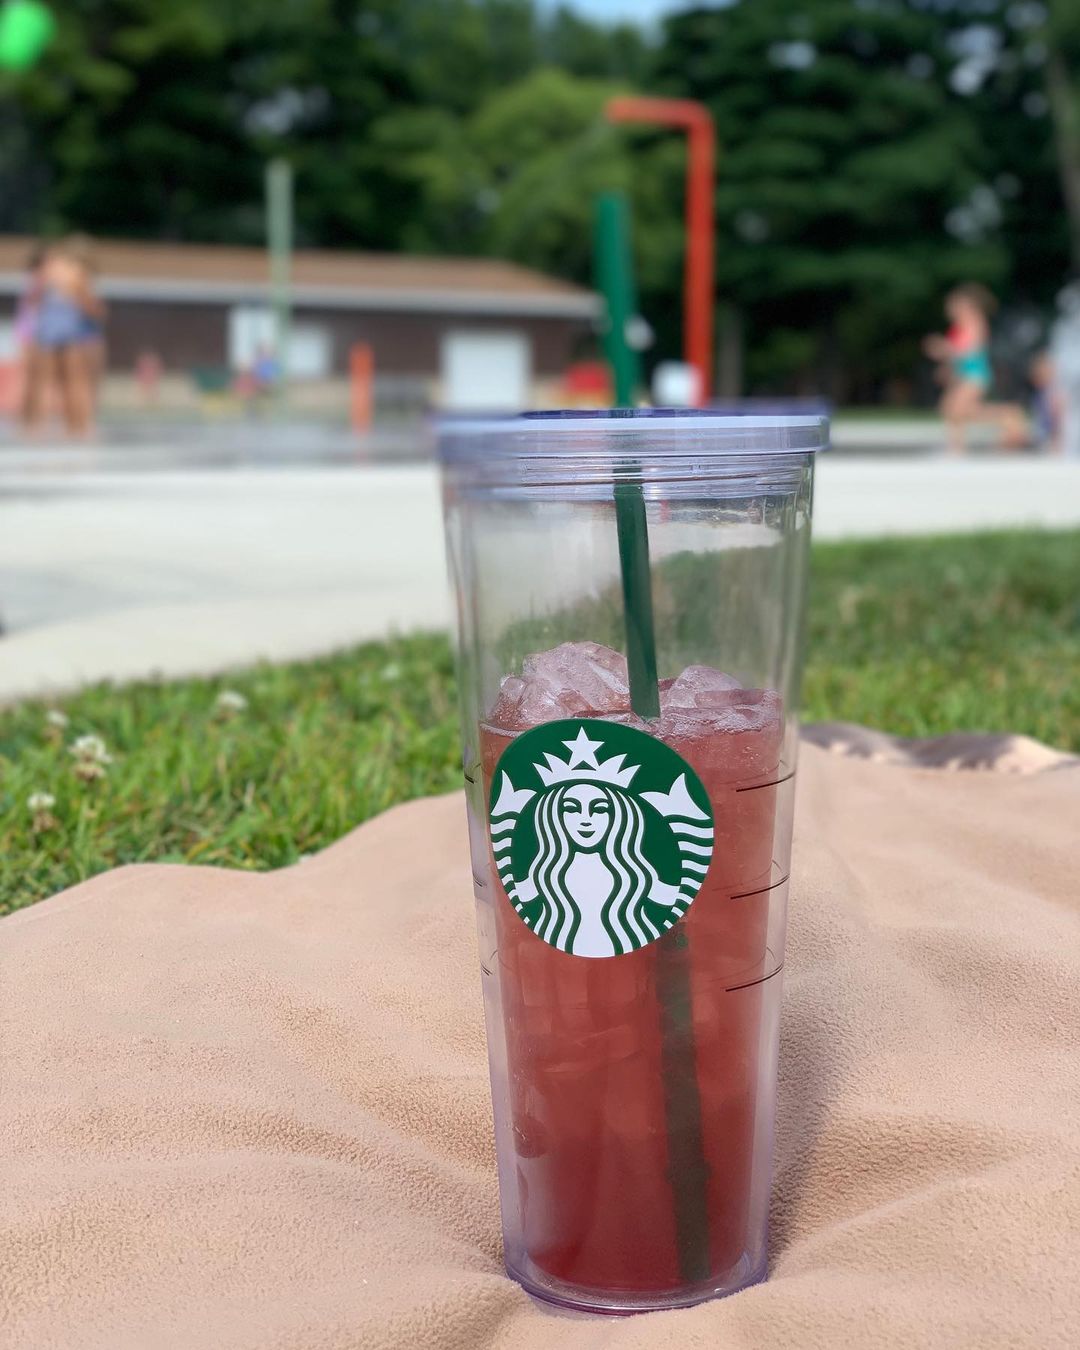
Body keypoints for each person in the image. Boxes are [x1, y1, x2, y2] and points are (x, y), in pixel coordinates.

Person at [923, 284, 1027, 454]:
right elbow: (957, 354)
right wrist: (947, 368)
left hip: (975, 375)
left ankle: (1008, 414)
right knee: (950, 409)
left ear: (966, 305)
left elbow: (969, 349)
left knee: (959, 410)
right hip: (964, 374)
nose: (950, 310)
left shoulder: (975, 321)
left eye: (954, 305)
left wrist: (943, 348)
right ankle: (956, 446)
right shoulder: (958, 327)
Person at [23, 237, 106, 439]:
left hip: (50, 329)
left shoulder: (47, 272)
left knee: (45, 382)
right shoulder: (76, 272)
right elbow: (93, 307)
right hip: (69, 330)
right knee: (76, 382)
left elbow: (33, 301)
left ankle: (39, 425)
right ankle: (80, 426)